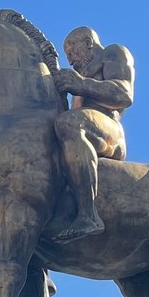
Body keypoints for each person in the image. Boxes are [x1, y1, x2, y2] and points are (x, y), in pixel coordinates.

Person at [50, 26, 135, 242]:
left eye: (72, 53)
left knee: (69, 123)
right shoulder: (78, 76)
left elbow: (124, 94)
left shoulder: (113, 53)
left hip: (110, 130)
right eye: (68, 56)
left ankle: (89, 214)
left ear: (88, 42)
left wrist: (80, 84)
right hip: (84, 128)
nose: (71, 60)